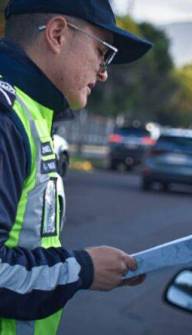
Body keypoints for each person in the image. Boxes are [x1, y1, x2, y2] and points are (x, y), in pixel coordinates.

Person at [0, 0, 152, 334]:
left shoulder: (30, 113)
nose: (104, 71)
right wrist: (83, 269)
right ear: (57, 34)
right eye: (102, 51)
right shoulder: (6, 119)